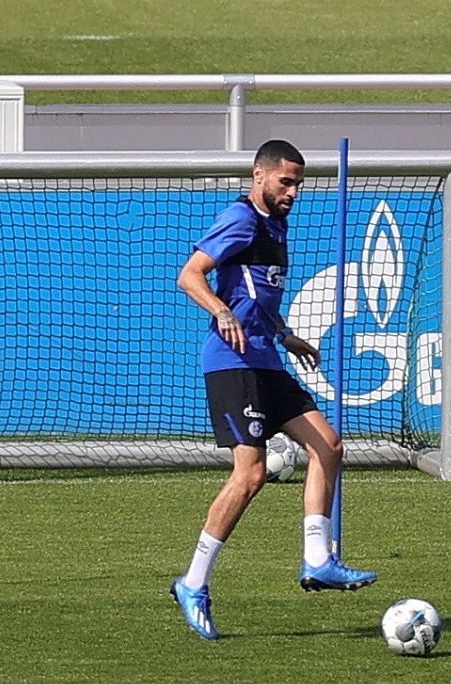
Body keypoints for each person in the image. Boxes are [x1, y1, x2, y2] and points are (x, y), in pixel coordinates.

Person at [169, 139, 377, 640]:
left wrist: (284, 334)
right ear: (258, 176)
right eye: (286, 181)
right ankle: (193, 583)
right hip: (232, 363)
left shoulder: (276, 226)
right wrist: (220, 313)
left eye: (299, 183)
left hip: (265, 357)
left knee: (328, 446)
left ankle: (316, 559)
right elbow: (189, 275)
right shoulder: (240, 219)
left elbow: (254, 293)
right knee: (251, 475)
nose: (294, 191)